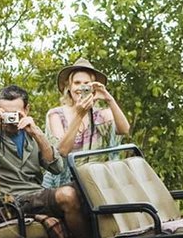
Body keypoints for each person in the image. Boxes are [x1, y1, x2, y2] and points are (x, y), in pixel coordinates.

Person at [0, 84, 91, 238]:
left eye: (16, 113)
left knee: (86, 187)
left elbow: (57, 167)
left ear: (27, 110)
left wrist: (37, 133)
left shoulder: (32, 132)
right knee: (67, 194)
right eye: (6, 114)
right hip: (9, 202)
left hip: (36, 195)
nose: (11, 120)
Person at [43, 57, 131, 188]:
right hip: (64, 183)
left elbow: (124, 129)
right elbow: (62, 151)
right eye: (77, 83)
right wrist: (80, 114)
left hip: (94, 180)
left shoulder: (101, 114)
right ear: (69, 87)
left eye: (86, 84)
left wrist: (109, 99)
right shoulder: (56, 114)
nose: (81, 88)